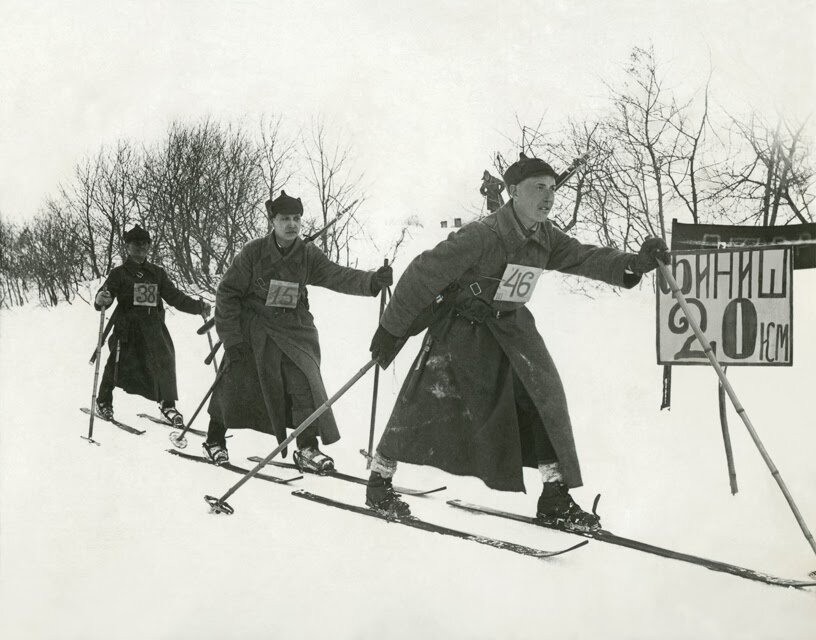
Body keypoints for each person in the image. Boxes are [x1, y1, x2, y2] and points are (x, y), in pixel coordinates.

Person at [367, 154, 669, 528]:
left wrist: (633, 264)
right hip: (463, 331)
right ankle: (379, 480)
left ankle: (555, 495)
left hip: (512, 329)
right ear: (513, 192)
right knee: (424, 401)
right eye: (538, 188)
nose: (548, 197)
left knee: (544, 397)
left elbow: (584, 257)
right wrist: (391, 328)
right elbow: (421, 274)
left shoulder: (545, 236)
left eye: (552, 189)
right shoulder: (483, 234)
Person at [203, 190, 393, 472]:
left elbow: (336, 274)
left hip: (295, 330)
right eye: (284, 219)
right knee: (234, 380)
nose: (291, 224)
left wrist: (372, 281)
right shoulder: (253, 252)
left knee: (304, 380)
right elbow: (227, 294)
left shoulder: (306, 254)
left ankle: (307, 448)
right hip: (255, 330)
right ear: (273, 221)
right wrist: (232, 339)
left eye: (296, 219)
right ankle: (214, 439)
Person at [94, 225, 211, 425]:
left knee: (165, 360)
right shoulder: (119, 273)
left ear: (149, 246)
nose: (140, 248)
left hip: (153, 328)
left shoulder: (157, 273)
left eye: (144, 244)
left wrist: (197, 306)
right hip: (127, 329)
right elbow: (105, 296)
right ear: (128, 247)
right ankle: (104, 401)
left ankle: (168, 406)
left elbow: (175, 297)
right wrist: (102, 297)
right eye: (135, 244)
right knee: (116, 362)